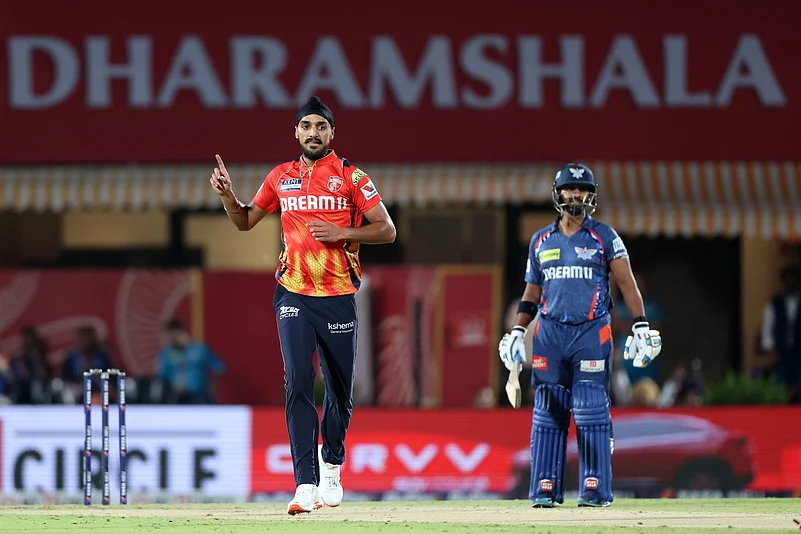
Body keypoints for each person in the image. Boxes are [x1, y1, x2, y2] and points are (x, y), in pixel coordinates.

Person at [209, 96, 396, 515]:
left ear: (332, 132)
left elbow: (387, 230)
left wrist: (341, 231)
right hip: (293, 293)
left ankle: (332, 461)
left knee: (339, 392)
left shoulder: (351, 176)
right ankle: (305, 484)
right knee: (296, 382)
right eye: (306, 126)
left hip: (338, 298)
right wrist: (227, 196)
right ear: (295, 132)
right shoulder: (281, 177)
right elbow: (243, 220)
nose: (313, 133)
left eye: (321, 127)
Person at [498, 163, 662, 508]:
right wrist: (517, 330)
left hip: (591, 331)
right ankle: (545, 488)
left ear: (592, 195)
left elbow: (627, 283)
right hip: (550, 334)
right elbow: (531, 293)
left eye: (582, 190)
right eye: (570, 190)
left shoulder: (605, 237)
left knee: (590, 408)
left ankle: (595, 488)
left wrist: (641, 323)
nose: (576, 195)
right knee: (547, 411)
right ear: (558, 195)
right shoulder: (541, 240)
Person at [156, 319, 226, 404]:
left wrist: (212, 386)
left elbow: (219, 368)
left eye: (173, 334)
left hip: (199, 396)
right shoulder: (166, 353)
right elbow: (161, 376)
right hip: (175, 397)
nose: (170, 337)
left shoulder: (199, 350)